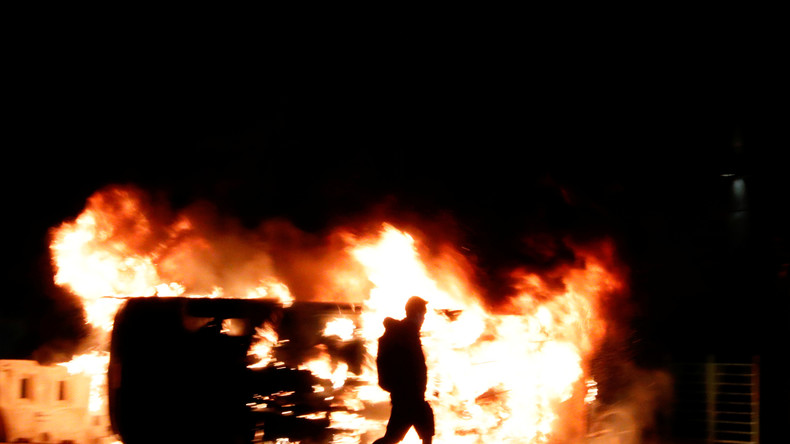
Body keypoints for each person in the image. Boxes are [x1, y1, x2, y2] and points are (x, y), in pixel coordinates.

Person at [373, 296, 435, 444]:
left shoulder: (406, 333)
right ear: (417, 314)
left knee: (395, 438)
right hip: (408, 397)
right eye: (423, 315)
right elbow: (409, 367)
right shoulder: (405, 334)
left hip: (408, 397)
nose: (423, 319)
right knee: (397, 437)